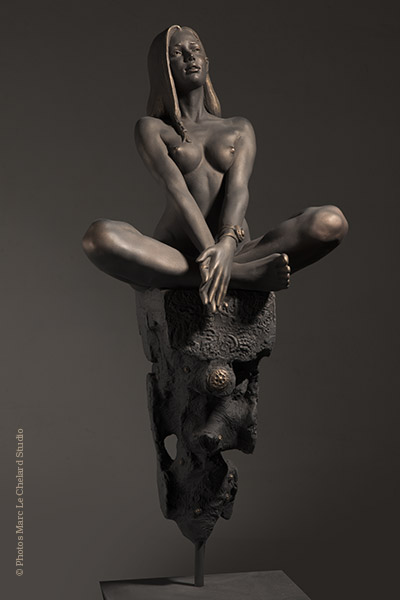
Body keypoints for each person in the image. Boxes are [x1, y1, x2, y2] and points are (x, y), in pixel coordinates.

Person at [83, 25, 348, 312]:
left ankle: (216, 271)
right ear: (163, 69)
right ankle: (242, 275)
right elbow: (177, 192)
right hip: (176, 252)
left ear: (207, 62)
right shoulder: (152, 129)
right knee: (99, 237)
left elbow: (238, 190)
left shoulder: (239, 128)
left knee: (330, 222)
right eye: (177, 53)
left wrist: (226, 245)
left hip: (234, 248)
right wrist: (213, 256)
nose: (190, 57)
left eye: (195, 50)